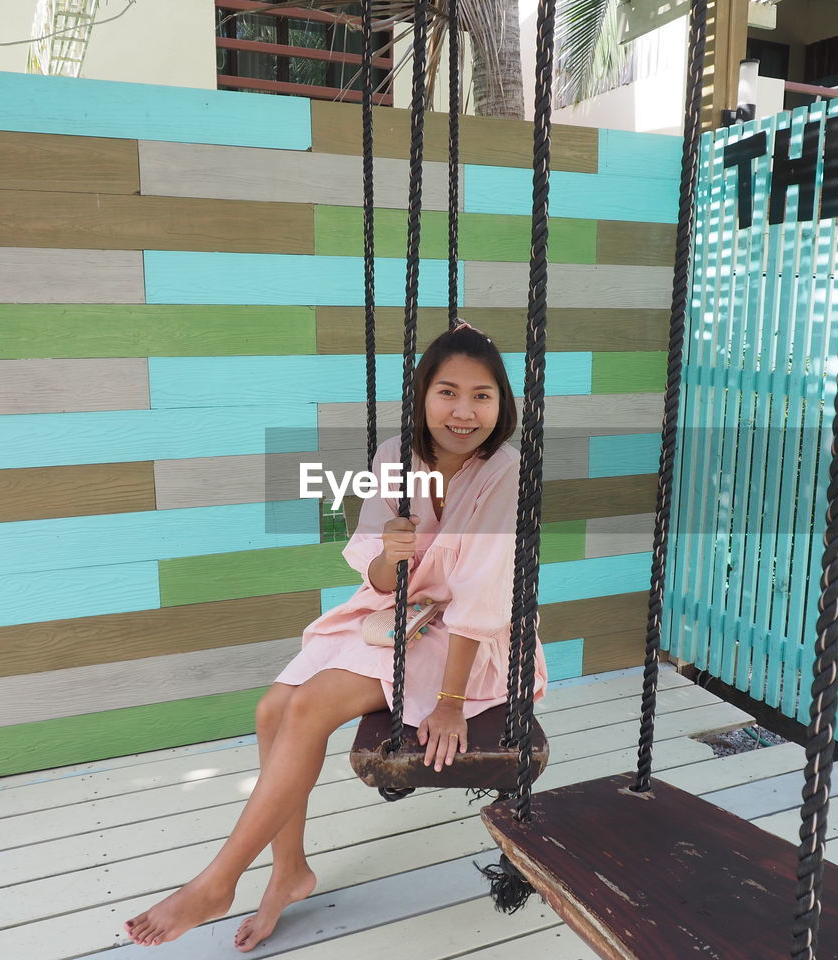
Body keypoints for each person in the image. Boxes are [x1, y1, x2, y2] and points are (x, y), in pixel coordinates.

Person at [124, 322, 548, 951]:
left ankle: (219, 879)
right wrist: (395, 555)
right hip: (400, 614)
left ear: (501, 403)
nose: (464, 412)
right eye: (448, 392)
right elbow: (375, 574)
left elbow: (485, 593)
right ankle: (288, 871)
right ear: (423, 394)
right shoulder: (392, 458)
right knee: (274, 707)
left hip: (472, 639)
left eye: (482, 396)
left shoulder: (506, 471)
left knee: (310, 706)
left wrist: (452, 703)